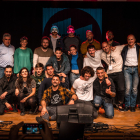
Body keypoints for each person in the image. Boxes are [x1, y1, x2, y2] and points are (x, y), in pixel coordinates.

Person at [101, 42, 125, 111]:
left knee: (121, 89)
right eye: (103, 47)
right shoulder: (102, 54)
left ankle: (120, 104)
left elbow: (126, 45)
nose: (105, 48)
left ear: (109, 46)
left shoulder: (117, 48)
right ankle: (113, 103)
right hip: (110, 73)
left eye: (106, 46)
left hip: (119, 72)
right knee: (110, 89)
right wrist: (87, 55)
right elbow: (94, 52)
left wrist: (136, 43)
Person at [121, 34, 140, 112]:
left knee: (134, 89)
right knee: (128, 89)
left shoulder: (138, 48)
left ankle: (132, 106)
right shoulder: (125, 48)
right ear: (127, 40)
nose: (130, 41)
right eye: (129, 39)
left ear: (135, 40)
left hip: (136, 69)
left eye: (132, 39)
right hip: (127, 69)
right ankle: (127, 105)